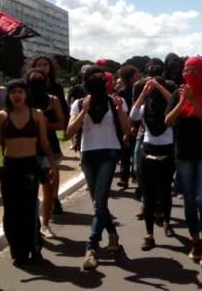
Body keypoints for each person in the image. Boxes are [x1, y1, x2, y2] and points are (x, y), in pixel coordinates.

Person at [67, 65, 130, 270]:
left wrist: (120, 110)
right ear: (84, 80)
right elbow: (68, 132)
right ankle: (112, 234)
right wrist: (84, 110)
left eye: (100, 77)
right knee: (99, 203)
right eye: (92, 77)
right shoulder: (78, 103)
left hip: (109, 152)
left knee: (99, 201)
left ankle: (91, 248)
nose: (97, 80)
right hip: (88, 154)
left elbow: (128, 128)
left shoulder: (115, 101)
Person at [0, 79, 55, 266]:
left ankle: (35, 248)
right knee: (11, 212)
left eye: (20, 91)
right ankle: (17, 250)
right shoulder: (2, 116)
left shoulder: (37, 115)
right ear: (8, 95)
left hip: (30, 168)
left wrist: (53, 166)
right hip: (10, 169)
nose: (17, 95)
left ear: (26, 94)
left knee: (30, 210)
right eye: (13, 92)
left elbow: (44, 143)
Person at [165, 57, 202, 268]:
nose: (188, 73)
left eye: (193, 70)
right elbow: (167, 122)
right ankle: (195, 241)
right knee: (189, 200)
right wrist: (182, 101)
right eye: (186, 70)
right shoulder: (177, 94)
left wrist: (194, 101)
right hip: (184, 154)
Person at [130, 76, 175, 250]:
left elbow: (173, 99)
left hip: (167, 153)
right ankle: (149, 235)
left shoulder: (170, 107)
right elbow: (132, 115)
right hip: (147, 153)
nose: (154, 91)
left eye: (158, 88)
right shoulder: (144, 108)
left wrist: (159, 86)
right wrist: (143, 93)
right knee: (148, 197)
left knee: (165, 192)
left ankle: (167, 222)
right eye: (153, 89)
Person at [25, 69, 65, 239]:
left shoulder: (52, 100)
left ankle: (46, 224)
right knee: (28, 189)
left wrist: (44, 125)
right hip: (28, 148)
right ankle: (31, 223)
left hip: (49, 147)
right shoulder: (23, 99)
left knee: (47, 187)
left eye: (40, 81)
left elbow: (62, 123)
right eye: (34, 81)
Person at [27, 55, 69, 215]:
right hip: (30, 137)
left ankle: (54, 198)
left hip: (50, 134)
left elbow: (62, 114)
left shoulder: (56, 89)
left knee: (53, 171)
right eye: (39, 64)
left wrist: (50, 125)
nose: (43, 67)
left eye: (45, 64)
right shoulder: (26, 89)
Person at [117, 65, 141, 189]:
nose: (140, 77)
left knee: (137, 154)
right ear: (131, 79)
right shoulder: (122, 92)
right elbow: (123, 112)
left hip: (139, 125)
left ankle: (136, 178)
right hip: (126, 125)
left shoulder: (141, 90)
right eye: (137, 76)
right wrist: (127, 127)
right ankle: (124, 178)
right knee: (126, 153)